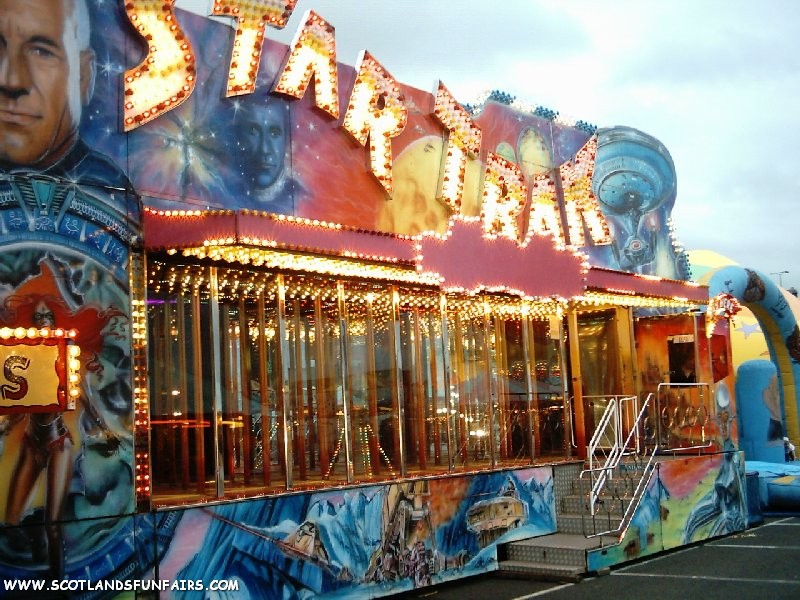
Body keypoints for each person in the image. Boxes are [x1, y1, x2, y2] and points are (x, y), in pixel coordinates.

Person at [0, 0, 136, 580]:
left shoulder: (114, 188)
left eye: (40, 49)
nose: (10, 81)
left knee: (53, 461)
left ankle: (47, 546)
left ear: (84, 73)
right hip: (44, 421)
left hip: (53, 423)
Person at [229, 95, 295, 214]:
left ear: (286, 140)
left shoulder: (304, 201)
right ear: (239, 137)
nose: (264, 149)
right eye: (253, 132)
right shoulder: (225, 193)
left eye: (274, 133)